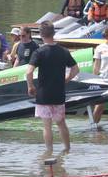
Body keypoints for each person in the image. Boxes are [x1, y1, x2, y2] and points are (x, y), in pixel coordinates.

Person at [26, 22, 79, 153]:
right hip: (59, 93)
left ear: (41, 35)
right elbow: (75, 69)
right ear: (54, 33)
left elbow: (28, 72)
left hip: (43, 94)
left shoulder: (39, 52)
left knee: (47, 126)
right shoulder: (63, 51)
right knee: (61, 124)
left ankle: (49, 152)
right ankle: (67, 149)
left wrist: (30, 86)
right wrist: (66, 80)